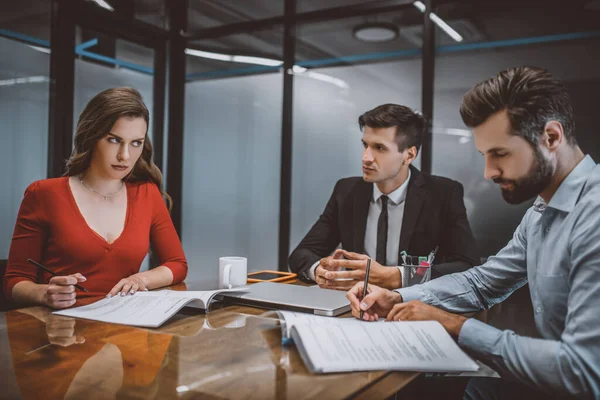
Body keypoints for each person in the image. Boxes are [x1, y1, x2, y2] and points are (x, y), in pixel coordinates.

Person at [347, 67, 600, 398]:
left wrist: (455, 324)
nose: (488, 172)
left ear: (551, 137)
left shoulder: (593, 216)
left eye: (500, 154)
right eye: (484, 155)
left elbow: (581, 371)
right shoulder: (539, 213)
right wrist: (399, 297)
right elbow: (483, 283)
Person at [4, 87, 188, 309]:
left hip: (126, 326)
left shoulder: (147, 194)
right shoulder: (43, 194)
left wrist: (141, 279)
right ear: (92, 137)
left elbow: (177, 264)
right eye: (114, 140)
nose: (125, 155)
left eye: (136, 143)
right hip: (62, 331)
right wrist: (44, 293)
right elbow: (14, 282)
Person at [289, 104, 478, 290]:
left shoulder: (443, 194)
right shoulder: (346, 191)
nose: (366, 157)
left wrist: (400, 276)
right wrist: (319, 271)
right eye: (365, 145)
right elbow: (301, 254)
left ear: (409, 155)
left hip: (415, 307)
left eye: (380, 148)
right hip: (355, 305)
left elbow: (467, 266)